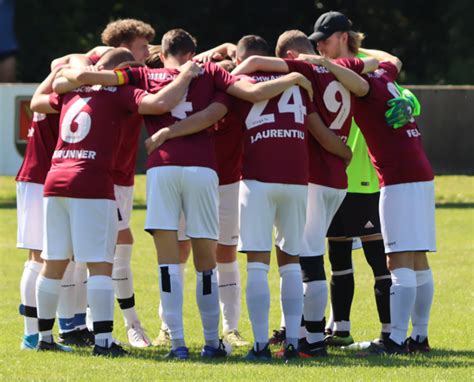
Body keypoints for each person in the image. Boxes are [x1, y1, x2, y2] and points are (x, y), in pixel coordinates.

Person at [30, 48, 199, 357]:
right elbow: (161, 102)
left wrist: (63, 69)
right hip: (91, 181)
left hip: (56, 179)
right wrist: (187, 73)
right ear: (119, 70)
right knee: (100, 265)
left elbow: (36, 101)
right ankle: (104, 342)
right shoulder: (120, 92)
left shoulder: (71, 89)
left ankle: (44, 338)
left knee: (53, 262)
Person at [233, 29, 373, 357]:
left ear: (289, 57)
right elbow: (377, 68)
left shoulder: (302, 72)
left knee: (305, 260)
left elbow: (315, 127)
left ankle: (310, 340)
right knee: (303, 259)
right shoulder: (343, 66)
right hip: (335, 177)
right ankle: (299, 334)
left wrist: (227, 78)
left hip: (312, 174)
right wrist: (344, 152)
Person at [307, 11, 435, 354]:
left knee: (398, 261)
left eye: (325, 41)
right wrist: (357, 58)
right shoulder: (385, 71)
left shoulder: (366, 83)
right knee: (418, 259)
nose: (320, 47)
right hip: (420, 173)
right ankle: (418, 337)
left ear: (344, 38)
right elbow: (391, 60)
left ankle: (393, 339)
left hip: (398, 178)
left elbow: (359, 81)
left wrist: (323, 63)